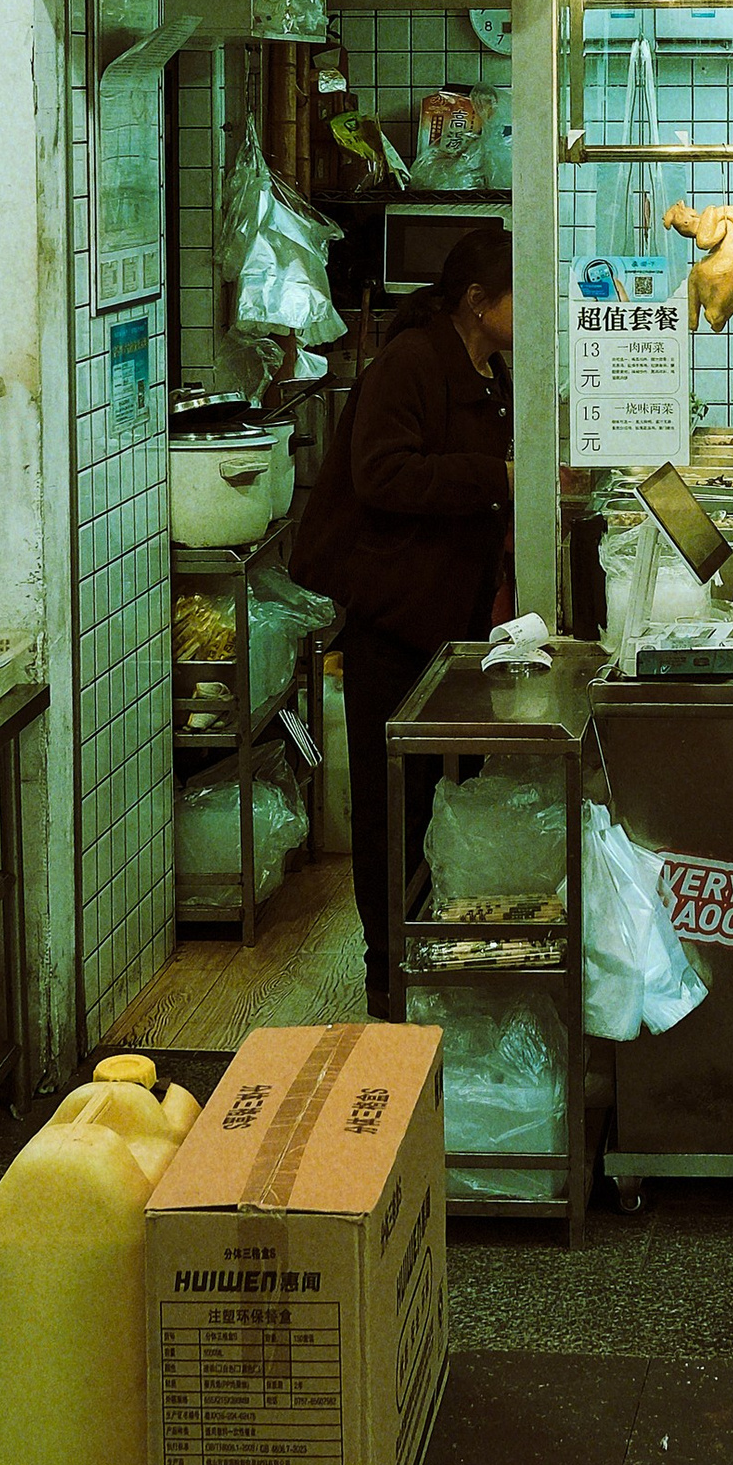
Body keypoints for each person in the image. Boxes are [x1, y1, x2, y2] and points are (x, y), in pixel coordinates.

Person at [291, 220, 515, 1015]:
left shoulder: (489, 367)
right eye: (519, 296)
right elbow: (381, 474)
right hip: (394, 621)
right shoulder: (412, 361)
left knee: (434, 796)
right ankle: (387, 974)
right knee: (394, 805)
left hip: (448, 623)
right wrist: (496, 476)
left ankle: (433, 962)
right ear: (479, 301)